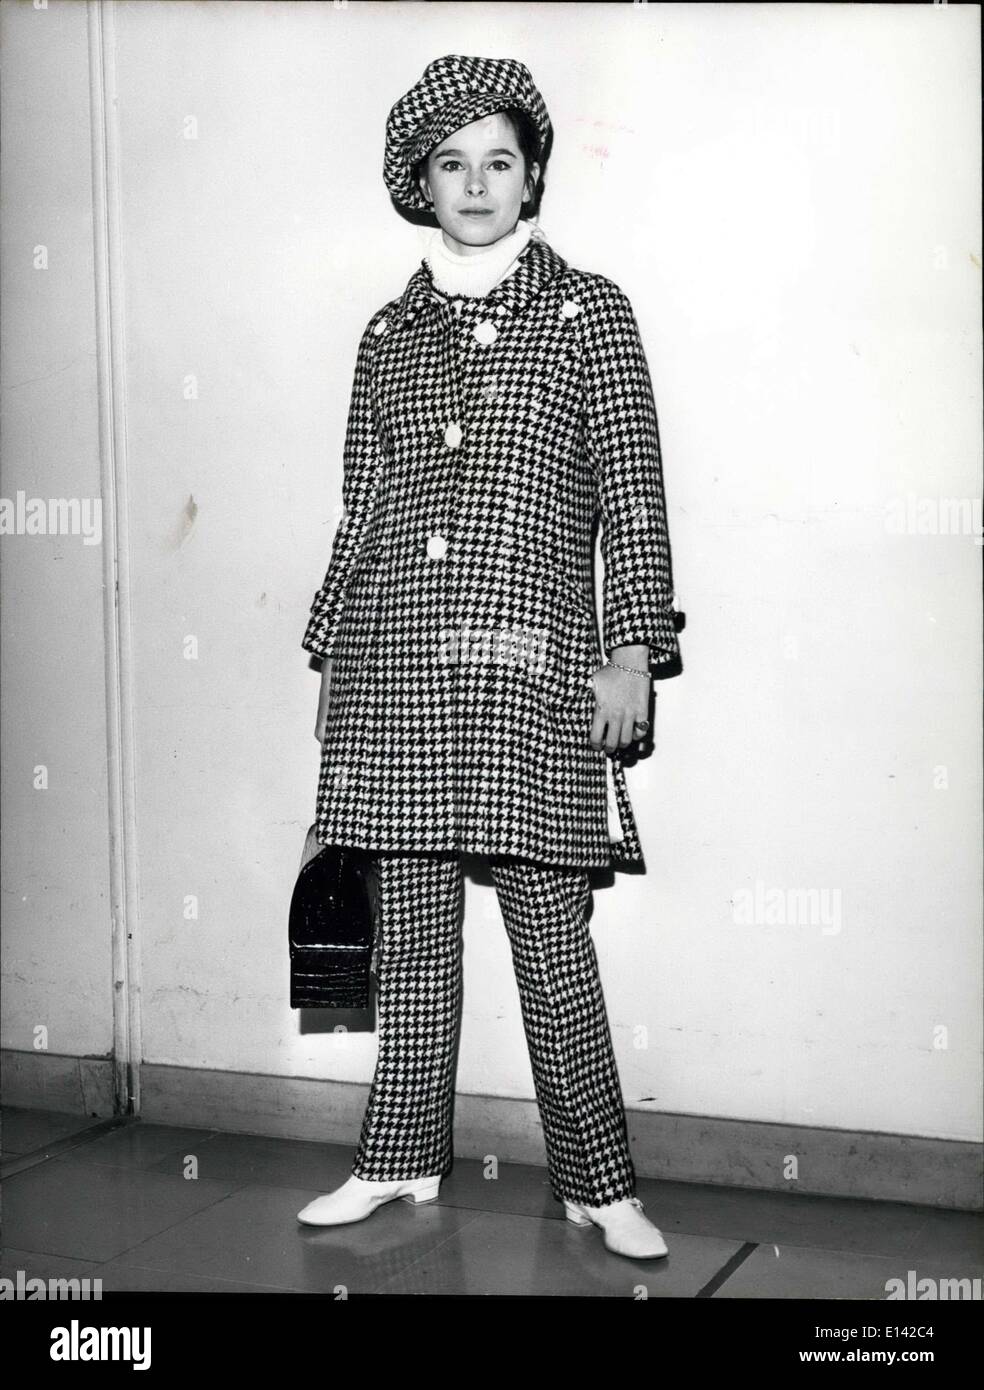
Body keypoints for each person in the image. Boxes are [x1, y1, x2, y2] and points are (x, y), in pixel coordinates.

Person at [296, 55, 684, 1261]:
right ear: (421, 180)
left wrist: (631, 650)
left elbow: (633, 496)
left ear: (533, 178)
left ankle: (597, 1179)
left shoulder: (591, 312)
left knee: (549, 932)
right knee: (408, 928)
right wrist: (332, 658)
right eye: (451, 162)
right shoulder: (387, 332)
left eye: (499, 161)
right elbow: (362, 507)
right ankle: (400, 1155)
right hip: (397, 662)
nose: (476, 182)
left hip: (533, 668)